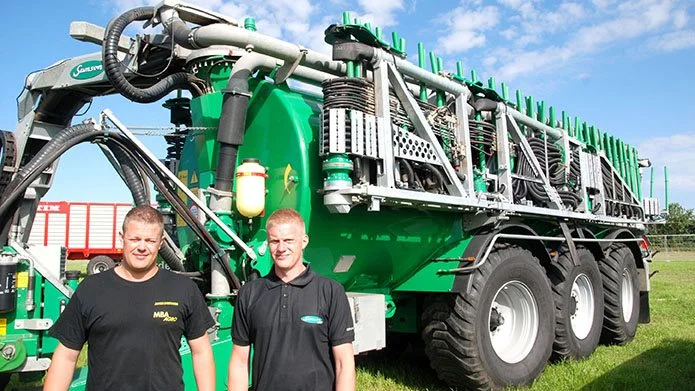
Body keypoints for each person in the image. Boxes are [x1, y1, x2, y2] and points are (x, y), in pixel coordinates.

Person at [44, 205, 215, 391]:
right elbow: (66, 356)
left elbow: (201, 352)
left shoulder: (183, 289)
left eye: (150, 240)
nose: (142, 247)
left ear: (161, 243)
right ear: (122, 238)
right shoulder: (91, 289)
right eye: (135, 239)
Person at [228, 208, 355, 391]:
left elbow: (344, 363)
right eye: (274, 241)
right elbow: (239, 361)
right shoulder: (249, 293)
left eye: (288, 240)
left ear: (304, 241)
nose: (281, 248)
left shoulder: (330, 291)